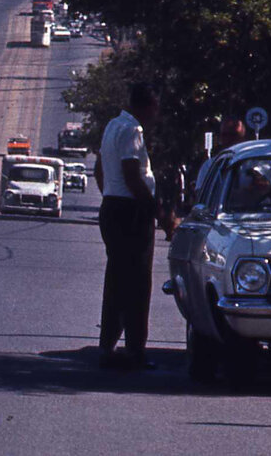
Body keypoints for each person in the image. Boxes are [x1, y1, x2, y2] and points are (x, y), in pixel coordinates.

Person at [95, 82, 171, 369]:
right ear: (147, 105)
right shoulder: (132, 131)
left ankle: (108, 345)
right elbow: (132, 175)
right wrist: (158, 213)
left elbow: (99, 169)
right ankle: (134, 350)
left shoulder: (113, 125)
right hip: (130, 211)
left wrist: (109, 196)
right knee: (138, 282)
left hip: (113, 206)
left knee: (117, 279)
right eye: (155, 108)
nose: (156, 114)